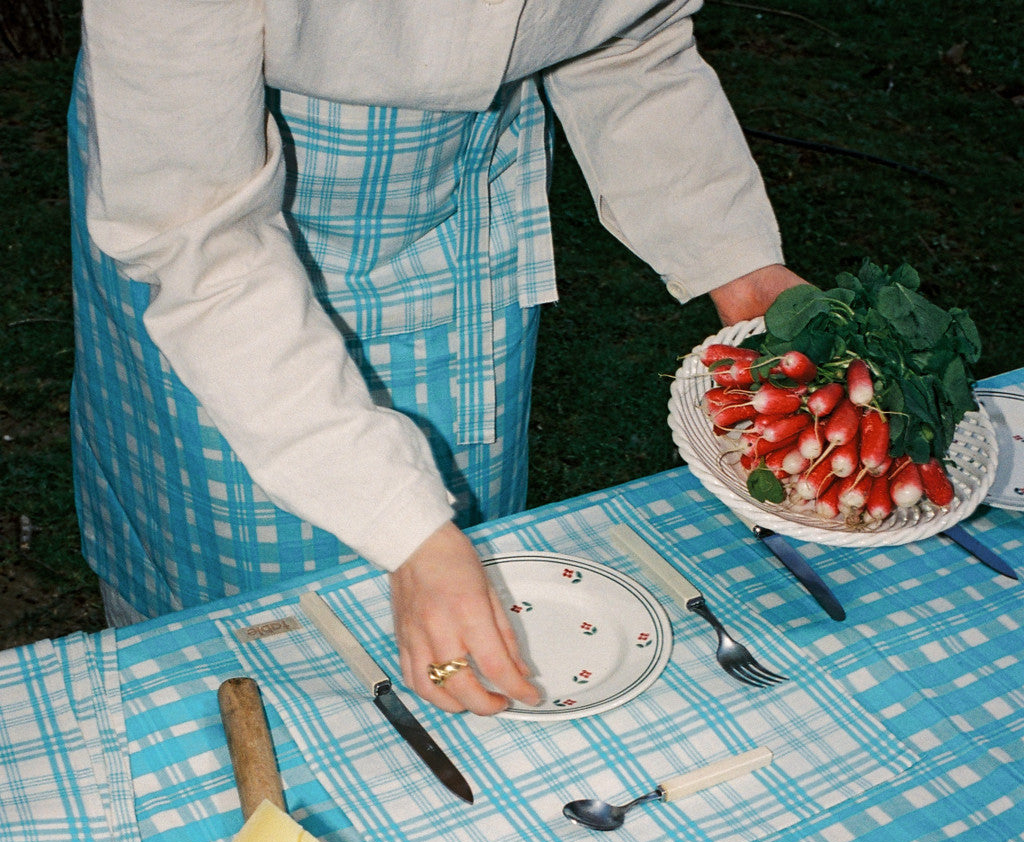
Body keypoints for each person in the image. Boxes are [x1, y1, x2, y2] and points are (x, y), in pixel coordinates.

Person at [69, 0, 803, 716]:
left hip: (469, 229)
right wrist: (403, 526)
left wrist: (741, 270)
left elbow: (626, 38)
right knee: (265, 646)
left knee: (460, 586)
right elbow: (200, 239)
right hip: (225, 266)